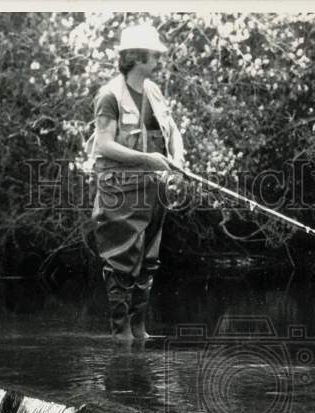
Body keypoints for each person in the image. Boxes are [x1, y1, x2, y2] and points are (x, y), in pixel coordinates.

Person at [90, 23, 185, 341]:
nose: (158, 59)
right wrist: (149, 160)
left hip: (154, 190)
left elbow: (174, 132)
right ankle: (122, 335)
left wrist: (178, 164)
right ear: (136, 57)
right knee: (121, 262)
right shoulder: (109, 96)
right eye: (153, 54)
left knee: (148, 261)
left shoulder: (154, 92)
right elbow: (104, 145)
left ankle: (139, 331)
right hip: (120, 191)